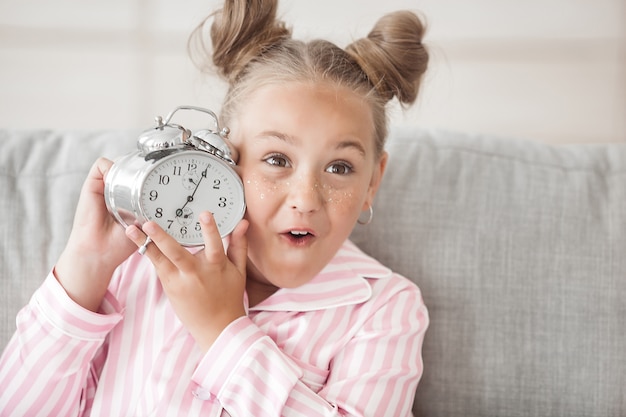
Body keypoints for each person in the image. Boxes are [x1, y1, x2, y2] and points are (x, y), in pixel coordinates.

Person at [0, 0, 429, 415]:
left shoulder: (385, 309)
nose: (306, 199)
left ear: (373, 181)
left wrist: (223, 331)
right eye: (277, 160)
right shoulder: (141, 265)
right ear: (224, 162)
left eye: (339, 167)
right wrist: (85, 269)